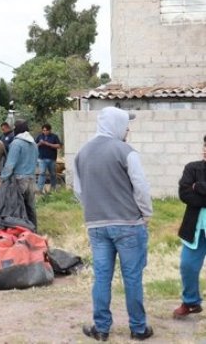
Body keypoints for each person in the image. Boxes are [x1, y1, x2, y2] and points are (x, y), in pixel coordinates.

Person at [75, 107, 153, 341]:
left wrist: (94, 209)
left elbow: (79, 191)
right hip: (128, 224)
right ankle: (138, 329)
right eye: (125, 124)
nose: (128, 129)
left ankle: (101, 329)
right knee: (132, 278)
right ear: (116, 124)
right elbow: (141, 187)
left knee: (102, 277)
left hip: (96, 225)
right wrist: (146, 214)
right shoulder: (125, 151)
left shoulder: (82, 153)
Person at [173, 135, 206, 319]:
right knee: (187, 266)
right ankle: (191, 301)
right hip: (196, 229)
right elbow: (184, 194)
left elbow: (194, 191)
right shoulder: (192, 167)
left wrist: (199, 187)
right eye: (205, 145)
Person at [0, 120, 39, 230]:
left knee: (17, 207)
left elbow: (10, 164)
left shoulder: (16, 143)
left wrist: (2, 179)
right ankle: (34, 230)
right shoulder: (33, 143)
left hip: (19, 179)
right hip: (31, 178)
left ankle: (21, 231)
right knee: (30, 207)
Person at [36, 123, 63, 193]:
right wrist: (39, 143)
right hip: (42, 158)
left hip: (52, 159)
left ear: (50, 130)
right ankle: (39, 189)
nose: (44, 132)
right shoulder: (39, 136)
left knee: (53, 174)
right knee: (42, 173)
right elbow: (34, 145)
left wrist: (48, 144)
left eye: (46, 130)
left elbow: (59, 146)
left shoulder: (54, 136)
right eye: (43, 130)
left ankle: (53, 189)